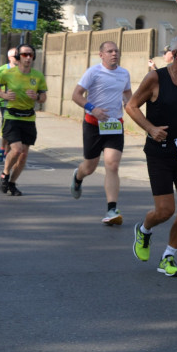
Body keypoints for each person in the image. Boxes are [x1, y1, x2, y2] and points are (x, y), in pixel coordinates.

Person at [124, 34, 177, 278]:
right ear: (174, 54)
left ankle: (168, 256)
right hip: (159, 153)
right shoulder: (155, 78)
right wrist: (150, 128)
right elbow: (131, 106)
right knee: (164, 210)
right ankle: (144, 229)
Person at [70, 41, 133, 225]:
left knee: (112, 165)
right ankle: (78, 176)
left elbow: (128, 95)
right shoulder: (93, 72)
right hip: (93, 125)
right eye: (110, 51)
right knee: (89, 167)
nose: (114, 54)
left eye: (116, 51)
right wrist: (92, 108)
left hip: (114, 125)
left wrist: (131, 106)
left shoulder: (124, 73)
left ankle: (112, 209)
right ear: (101, 55)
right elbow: (76, 95)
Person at [0, 44, 47, 196]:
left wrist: (36, 97)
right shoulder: (8, 73)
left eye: (30, 55)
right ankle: (5, 174)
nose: (28, 58)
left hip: (28, 118)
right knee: (16, 149)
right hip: (11, 116)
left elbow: (43, 97)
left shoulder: (38, 76)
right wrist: (3, 95)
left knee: (24, 155)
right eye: (24, 55)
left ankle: (12, 183)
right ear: (18, 57)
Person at [0, 48, 18, 162]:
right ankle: (3, 149)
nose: (17, 58)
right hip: (4, 102)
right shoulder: (2, 69)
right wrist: (2, 93)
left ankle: (8, 150)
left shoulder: (23, 70)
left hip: (19, 102)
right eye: (15, 56)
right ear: (9, 58)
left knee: (15, 127)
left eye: (18, 55)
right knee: (7, 125)